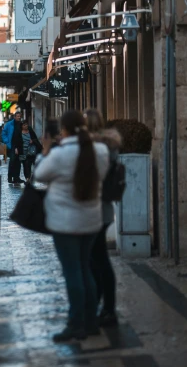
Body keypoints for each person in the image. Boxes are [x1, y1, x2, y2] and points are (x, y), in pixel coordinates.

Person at [35, 110, 110, 342]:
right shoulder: (100, 151)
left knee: (73, 272)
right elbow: (103, 175)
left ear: (64, 131)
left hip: (65, 224)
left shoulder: (59, 155)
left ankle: (76, 324)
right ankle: (90, 322)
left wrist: (45, 151)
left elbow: (39, 174)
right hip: (91, 221)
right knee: (86, 269)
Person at [84, 109, 122, 328]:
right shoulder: (109, 146)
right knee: (96, 259)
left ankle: (107, 308)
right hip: (104, 209)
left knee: (97, 259)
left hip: (95, 208)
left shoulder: (97, 149)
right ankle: (103, 306)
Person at [2, 111, 23, 184]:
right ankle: (10, 178)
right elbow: (4, 133)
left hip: (19, 146)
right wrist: (7, 142)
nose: (19, 117)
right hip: (12, 145)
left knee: (18, 162)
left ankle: (17, 178)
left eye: (20, 116)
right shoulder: (9, 124)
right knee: (12, 161)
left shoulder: (21, 124)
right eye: (17, 116)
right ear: (14, 117)